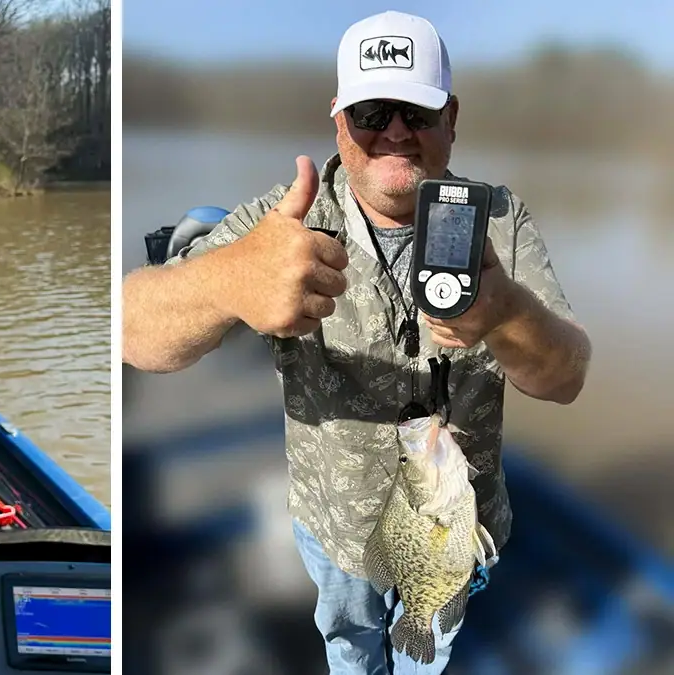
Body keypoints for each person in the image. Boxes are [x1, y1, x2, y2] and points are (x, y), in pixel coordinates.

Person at [122, 10, 591, 675]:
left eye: (417, 111)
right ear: (338, 119)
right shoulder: (282, 223)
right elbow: (134, 328)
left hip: (454, 526)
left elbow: (567, 376)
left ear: (450, 117)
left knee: (430, 649)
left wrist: (508, 312)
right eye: (374, 111)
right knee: (346, 641)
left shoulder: (500, 221)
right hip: (333, 527)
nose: (396, 131)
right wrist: (225, 281)